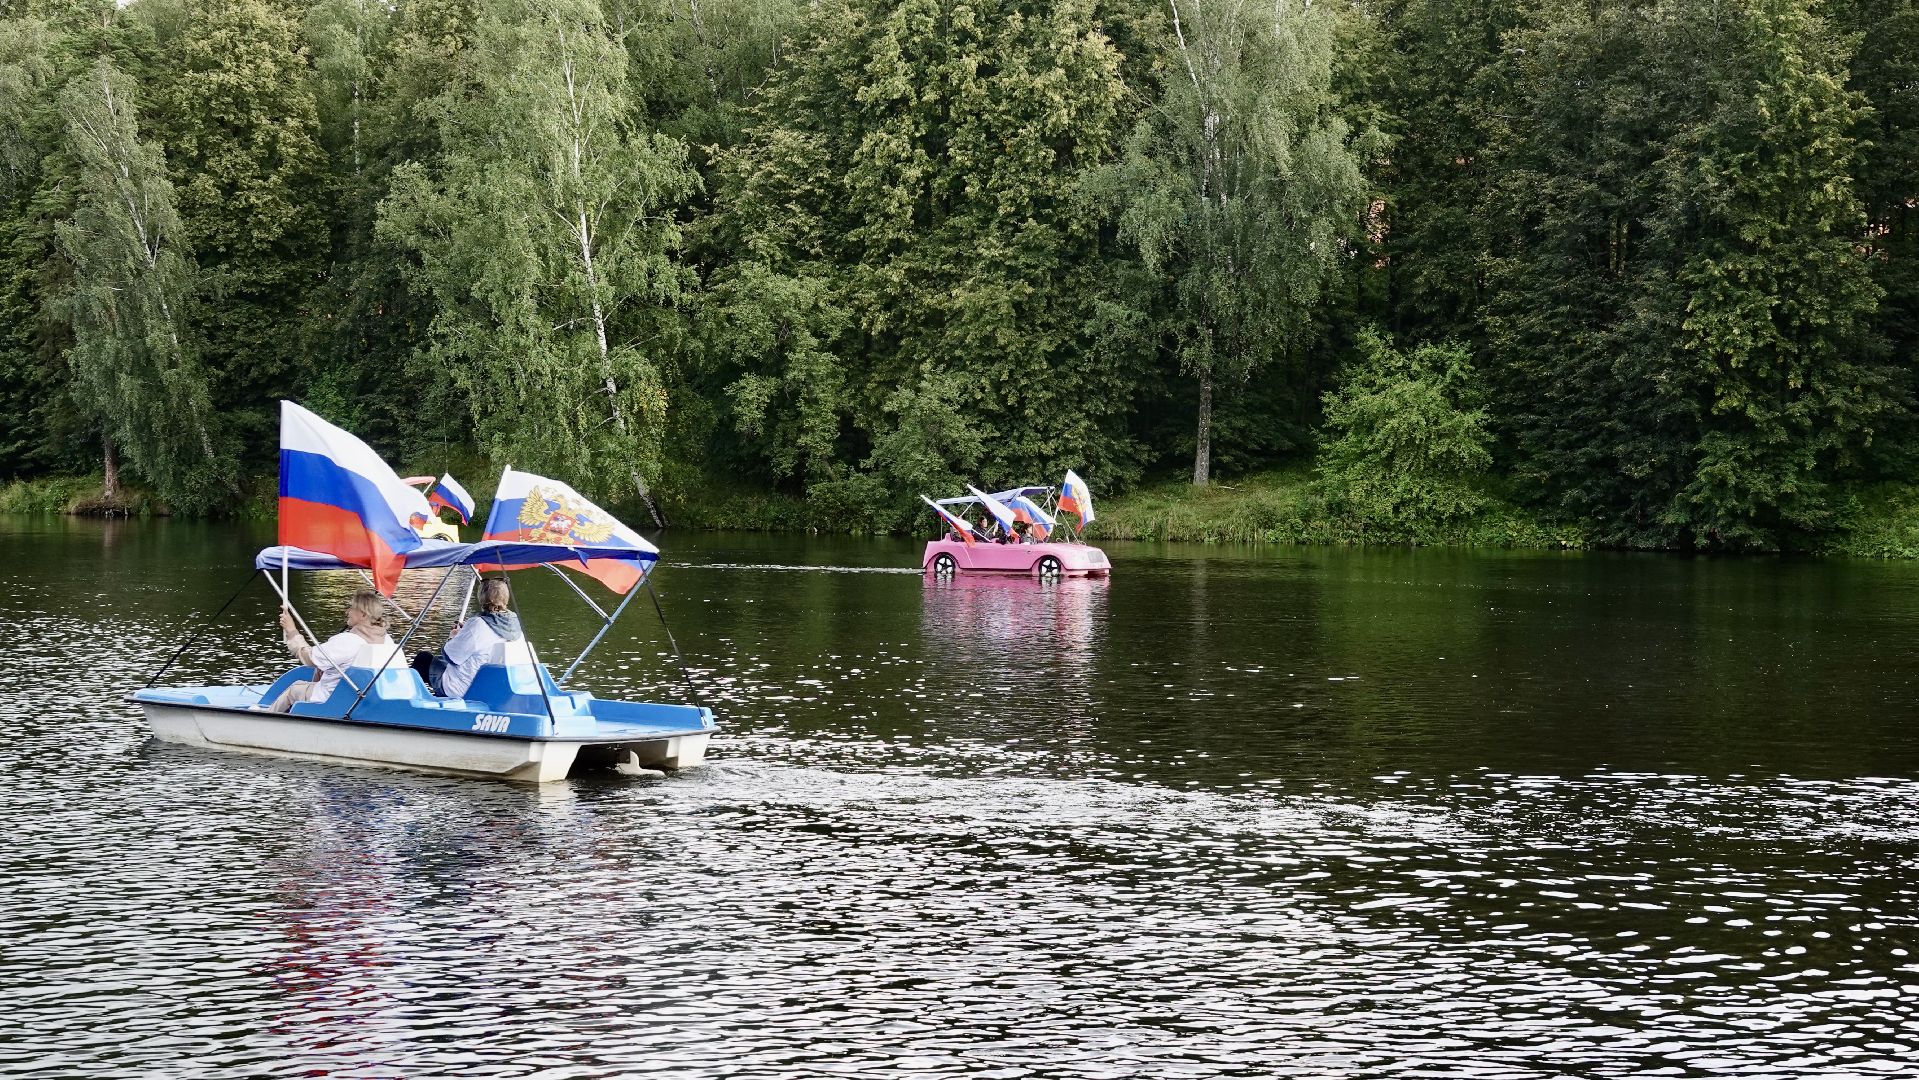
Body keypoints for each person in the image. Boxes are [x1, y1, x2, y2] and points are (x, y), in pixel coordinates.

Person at [267, 589, 394, 712]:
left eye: (351, 608)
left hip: (333, 698)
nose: (347, 612)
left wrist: (291, 631)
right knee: (316, 674)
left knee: (294, 689)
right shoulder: (387, 640)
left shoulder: (349, 641)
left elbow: (309, 658)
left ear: (363, 615)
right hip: (367, 698)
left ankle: (267, 719)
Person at [414, 578, 524, 700]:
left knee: (423, 659)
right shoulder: (514, 624)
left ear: (482, 598)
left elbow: (450, 655)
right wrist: (465, 632)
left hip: (462, 688)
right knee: (440, 661)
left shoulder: (477, 624)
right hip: (491, 686)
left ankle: (410, 705)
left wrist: (453, 636)